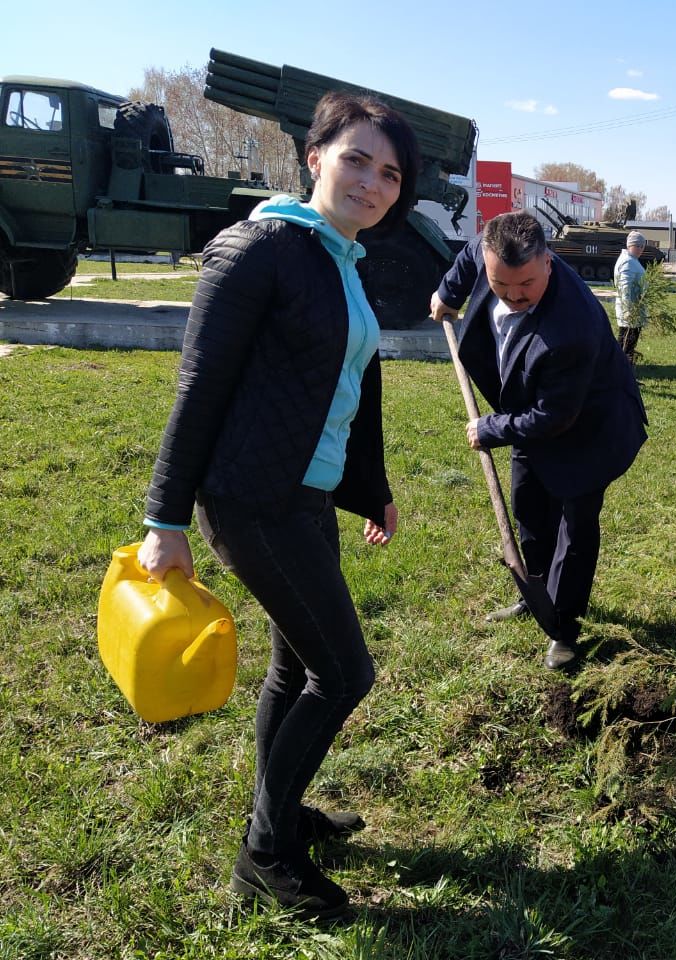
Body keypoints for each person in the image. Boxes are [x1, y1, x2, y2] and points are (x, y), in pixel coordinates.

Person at [136, 92, 420, 920]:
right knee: (344, 672)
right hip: (253, 499)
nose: (372, 181)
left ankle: (281, 814)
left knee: (297, 665)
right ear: (315, 156)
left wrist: (370, 490)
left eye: (390, 172)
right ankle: (266, 857)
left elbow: (351, 387)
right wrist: (166, 518)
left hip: (307, 494)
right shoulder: (259, 248)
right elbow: (201, 382)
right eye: (357, 159)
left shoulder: (339, 259)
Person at [430, 211, 647, 670]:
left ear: (548, 262)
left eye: (525, 284)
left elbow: (554, 417)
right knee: (529, 505)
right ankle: (536, 594)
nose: (512, 297)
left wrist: (490, 428)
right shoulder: (497, 254)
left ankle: (565, 628)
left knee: (574, 523)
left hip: (591, 427)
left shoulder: (571, 328)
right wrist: (448, 293)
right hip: (532, 410)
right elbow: (472, 253)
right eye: (501, 285)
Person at [613, 231, 648, 361]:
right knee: (626, 343)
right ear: (629, 245)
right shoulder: (628, 262)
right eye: (637, 245)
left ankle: (623, 372)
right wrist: (629, 310)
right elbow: (625, 288)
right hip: (630, 311)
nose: (640, 249)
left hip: (634, 310)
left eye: (642, 246)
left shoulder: (632, 260)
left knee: (627, 343)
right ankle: (622, 372)